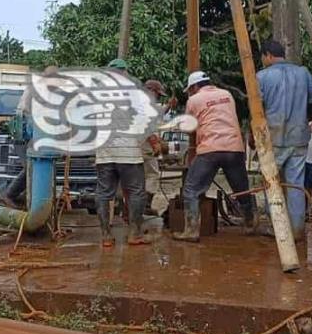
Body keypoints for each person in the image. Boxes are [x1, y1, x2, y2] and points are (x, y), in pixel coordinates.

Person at [256, 39, 312, 240]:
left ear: (268, 55)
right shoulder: (303, 73)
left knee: (271, 182)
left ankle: (276, 227)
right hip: (299, 136)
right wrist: (307, 117)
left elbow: (256, 107)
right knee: (295, 183)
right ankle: (297, 230)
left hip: (272, 138)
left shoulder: (261, 77)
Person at [175, 71, 255, 242]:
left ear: (195, 87)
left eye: (190, 89)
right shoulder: (226, 94)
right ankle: (250, 223)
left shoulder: (194, 100)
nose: (190, 92)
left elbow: (189, 127)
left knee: (191, 190)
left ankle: (191, 231)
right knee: (242, 189)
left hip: (210, 148)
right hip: (234, 147)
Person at [95, 59, 150, 247]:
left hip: (104, 152)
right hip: (128, 151)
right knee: (136, 192)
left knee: (104, 194)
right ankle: (134, 233)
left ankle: (106, 236)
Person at [4, 65, 58, 208]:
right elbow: (30, 111)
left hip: (34, 135)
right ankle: (10, 195)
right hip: (23, 135)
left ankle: (32, 201)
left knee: (40, 167)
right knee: (32, 167)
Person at [142, 79, 174, 217]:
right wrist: (155, 142)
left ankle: (137, 206)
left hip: (140, 147)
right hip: (145, 147)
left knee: (139, 178)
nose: (158, 97)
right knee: (152, 175)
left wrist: (168, 106)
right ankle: (145, 205)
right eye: (158, 94)